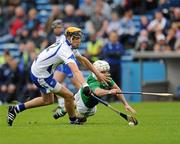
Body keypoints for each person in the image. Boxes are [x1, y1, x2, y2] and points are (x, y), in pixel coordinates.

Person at [7, 27, 99, 126]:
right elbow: (75, 70)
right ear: (69, 38)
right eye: (76, 38)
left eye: (79, 38)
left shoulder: (66, 41)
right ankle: (73, 120)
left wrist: (98, 74)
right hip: (41, 75)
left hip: (40, 70)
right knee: (68, 95)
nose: (79, 41)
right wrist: (85, 85)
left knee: (47, 100)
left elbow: (82, 59)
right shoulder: (65, 50)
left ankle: (15, 109)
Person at [53, 60, 136, 124]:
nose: (106, 74)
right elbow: (98, 92)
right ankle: (69, 113)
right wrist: (110, 92)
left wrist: (126, 104)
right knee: (80, 120)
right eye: (103, 72)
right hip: (84, 104)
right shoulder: (93, 82)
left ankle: (63, 111)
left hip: (83, 95)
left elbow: (117, 89)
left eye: (107, 71)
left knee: (74, 103)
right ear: (95, 71)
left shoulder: (106, 78)